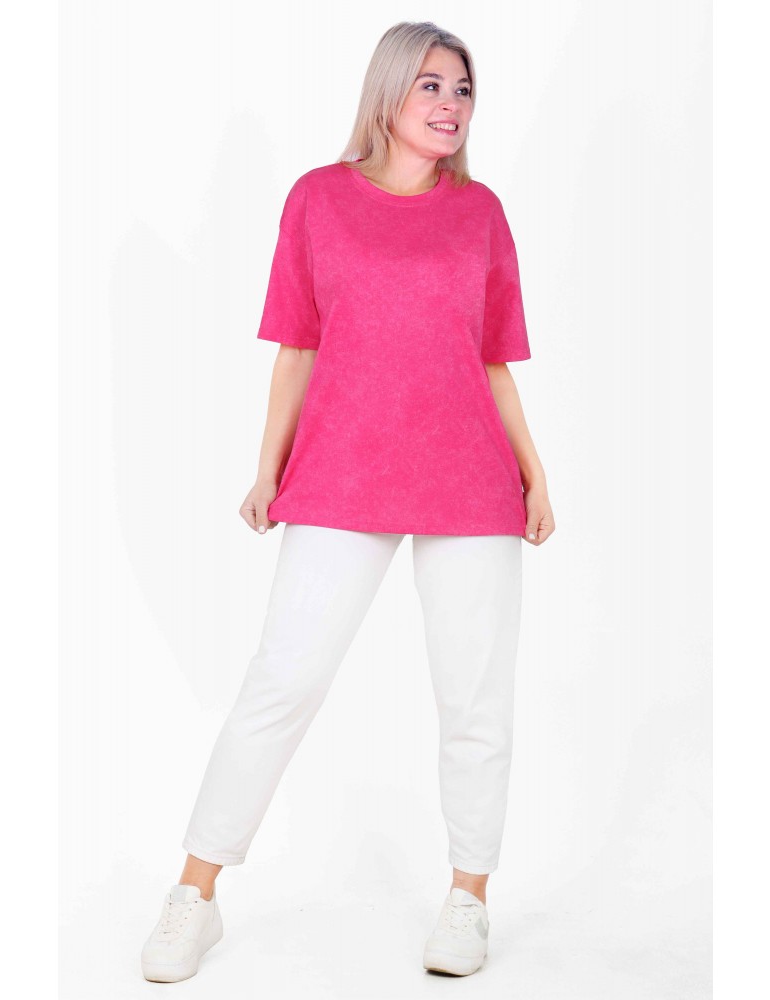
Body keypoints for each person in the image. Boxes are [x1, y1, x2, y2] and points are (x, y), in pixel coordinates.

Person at [141, 20, 556, 983]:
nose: (451, 104)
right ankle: (194, 894)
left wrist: (535, 470)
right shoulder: (318, 200)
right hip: (342, 473)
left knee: (475, 698)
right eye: (431, 86)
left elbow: (492, 359)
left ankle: (468, 899)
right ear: (388, 93)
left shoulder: (481, 213)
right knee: (282, 681)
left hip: (470, 479)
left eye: (463, 89)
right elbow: (297, 346)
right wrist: (268, 469)